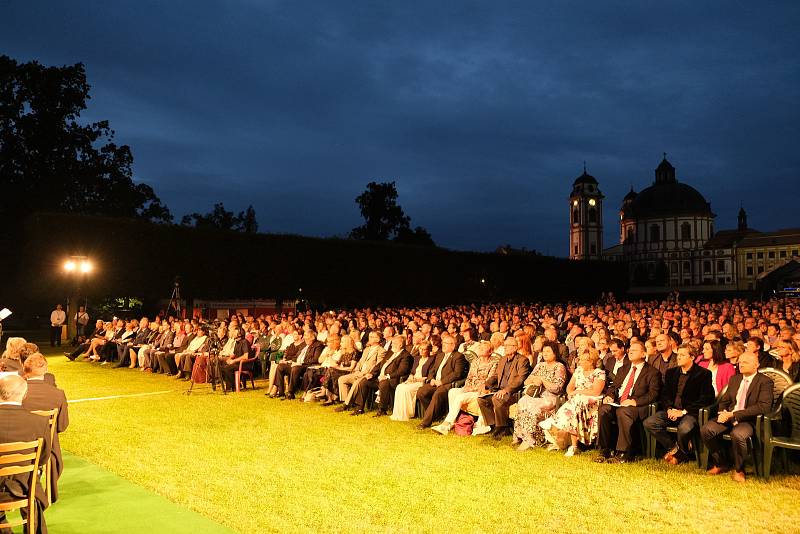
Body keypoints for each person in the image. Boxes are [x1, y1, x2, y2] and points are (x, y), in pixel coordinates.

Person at [700, 352, 773, 482]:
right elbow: (725, 400)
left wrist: (733, 414)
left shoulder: (765, 381)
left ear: (756, 365)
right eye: (740, 362)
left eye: (745, 362)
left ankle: (739, 469)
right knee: (706, 430)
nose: (741, 364)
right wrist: (723, 412)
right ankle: (721, 462)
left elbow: (763, 407)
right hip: (729, 416)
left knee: (738, 434)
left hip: (749, 420)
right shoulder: (735, 379)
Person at [643, 344, 714, 465]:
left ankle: (681, 454)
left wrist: (683, 412)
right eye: (678, 355)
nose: (678, 357)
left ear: (692, 357)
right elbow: (664, 395)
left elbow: (705, 399)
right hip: (671, 410)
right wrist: (669, 409)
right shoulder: (671, 372)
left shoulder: (704, 374)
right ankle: (675, 450)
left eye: (682, 355)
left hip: (690, 412)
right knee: (649, 423)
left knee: (684, 429)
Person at [0, 374, 52, 534]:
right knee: (34, 476)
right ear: (25, 394)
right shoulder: (39, 421)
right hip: (25, 487)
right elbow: (43, 458)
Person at [596, 340, 661, 463]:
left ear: (643, 354)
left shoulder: (652, 372)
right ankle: (604, 449)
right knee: (604, 409)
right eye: (630, 350)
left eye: (634, 350)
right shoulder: (623, 369)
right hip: (619, 402)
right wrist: (609, 395)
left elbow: (653, 394)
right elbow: (613, 387)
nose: (630, 352)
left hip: (637, 406)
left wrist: (635, 402)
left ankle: (623, 453)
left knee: (623, 411)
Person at [21, 353, 69, 503]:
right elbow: (62, 425)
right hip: (48, 447)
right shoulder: (58, 394)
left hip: (22, 445)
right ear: (45, 370)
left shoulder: (18, 393)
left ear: (25, 370)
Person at [539, 349, 605, 456]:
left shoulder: (599, 373)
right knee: (573, 407)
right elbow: (569, 388)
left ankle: (573, 444)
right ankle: (569, 442)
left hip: (591, 400)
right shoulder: (578, 371)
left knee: (575, 406)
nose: (579, 362)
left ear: (591, 361)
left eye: (583, 360)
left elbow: (596, 392)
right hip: (577, 399)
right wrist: (571, 393)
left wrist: (578, 392)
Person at [431, 340, 498, 435]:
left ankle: (446, 424)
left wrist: (472, 389)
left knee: (460, 397)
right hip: (470, 388)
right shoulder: (475, 361)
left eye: (484, 347)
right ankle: (454, 420)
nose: (480, 348)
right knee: (453, 392)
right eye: (480, 347)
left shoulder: (494, 364)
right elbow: (469, 377)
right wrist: (466, 387)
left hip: (481, 391)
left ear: (490, 351)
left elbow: (488, 381)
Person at [512, 340, 567, 450]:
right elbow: (526, 382)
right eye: (544, 351)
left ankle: (530, 439)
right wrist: (534, 379)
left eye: (548, 351)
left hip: (550, 397)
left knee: (533, 407)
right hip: (535, 395)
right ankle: (521, 435)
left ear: (555, 353)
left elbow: (557, 388)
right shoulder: (539, 365)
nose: (545, 354)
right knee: (523, 402)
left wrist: (543, 380)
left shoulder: (559, 367)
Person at [475, 336, 531, 439]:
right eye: (504, 345)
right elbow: (496, 375)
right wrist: (486, 384)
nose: (504, 347)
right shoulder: (503, 359)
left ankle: (503, 428)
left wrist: (506, 390)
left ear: (515, 347)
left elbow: (520, 379)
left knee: (497, 399)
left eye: (507, 346)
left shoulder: (523, 360)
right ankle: (493, 426)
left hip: (513, 393)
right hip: (499, 390)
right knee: (482, 399)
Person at [349, 335, 412, 416]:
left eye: (393, 343)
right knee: (364, 381)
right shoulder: (390, 352)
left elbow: (402, 371)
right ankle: (360, 408)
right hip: (379, 378)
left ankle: (382, 410)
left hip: (392, 380)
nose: (392, 345)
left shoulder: (406, 356)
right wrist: (371, 373)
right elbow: (380, 365)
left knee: (383, 383)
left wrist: (387, 376)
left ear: (400, 344)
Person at [415, 334, 468, 429]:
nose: (443, 345)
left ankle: (426, 422)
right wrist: (431, 379)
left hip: (447, 384)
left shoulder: (458, 356)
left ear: (453, 345)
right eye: (443, 343)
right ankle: (436, 415)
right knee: (421, 392)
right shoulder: (440, 355)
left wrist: (442, 382)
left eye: (446, 343)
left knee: (438, 393)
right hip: (435, 382)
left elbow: (457, 374)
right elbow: (432, 370)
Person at [391, 342, 434, 421]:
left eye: (424, 349)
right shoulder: (417, 359)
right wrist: (411, 376)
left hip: (422, 382)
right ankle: (398, 413)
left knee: (405, 390)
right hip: (413, 380)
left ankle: (408, 413)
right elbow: (412, 371)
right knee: (399, 387)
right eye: (420, 349)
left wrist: (417, 379)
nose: (422, 351)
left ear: (428, 350)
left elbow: (430, 376)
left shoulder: (432, 360)